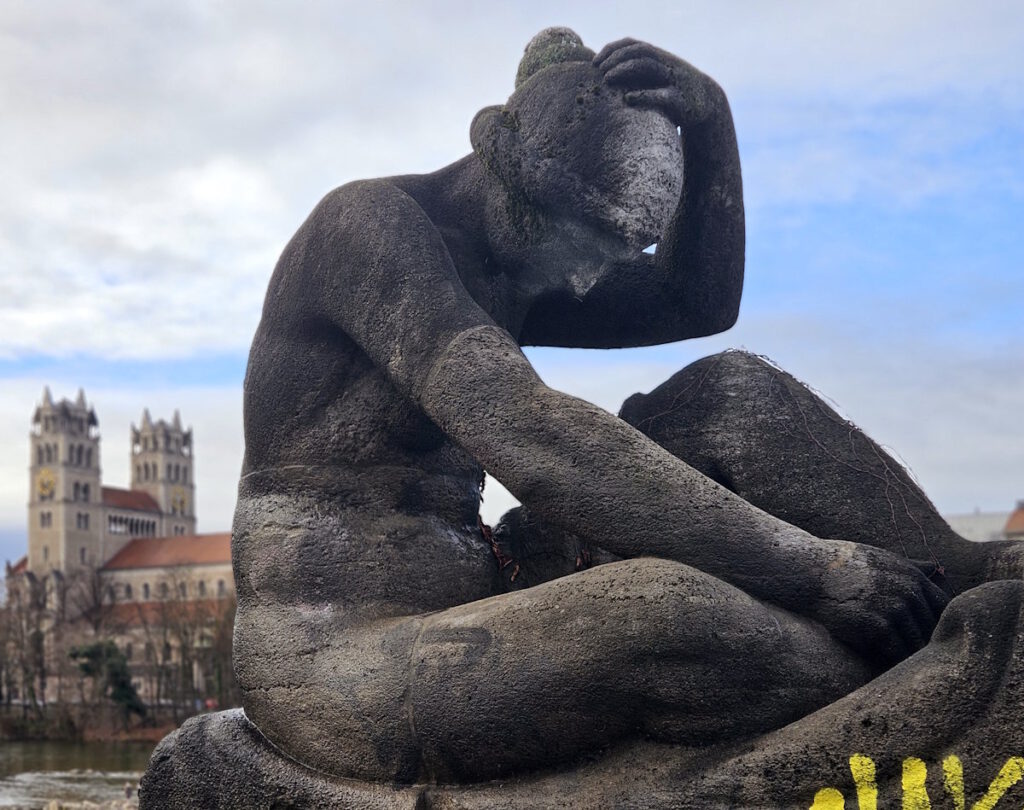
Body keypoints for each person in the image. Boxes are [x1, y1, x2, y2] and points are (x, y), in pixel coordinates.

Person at [231, 29, 1020, 785]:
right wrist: (817, 573)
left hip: (484, 586)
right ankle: (945, 665)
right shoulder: (365, 230)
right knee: (664, 612)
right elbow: (530, 435)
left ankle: (963, 572)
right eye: (584, 252)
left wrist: (713, 122)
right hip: (340, 649)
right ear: (507, 175)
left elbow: (696, 300)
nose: (582, 287)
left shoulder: (515, 268)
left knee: (732, 395)